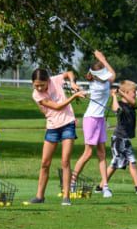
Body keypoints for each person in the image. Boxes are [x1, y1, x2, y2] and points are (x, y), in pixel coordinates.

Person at [28, 68, 85, 206]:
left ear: (48, 80)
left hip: (68, 124)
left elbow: (69, 72)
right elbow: (57, 107)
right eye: (36, 85)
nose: (40, 87)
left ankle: (66, 197)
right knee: (45, 163)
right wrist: (74, 97)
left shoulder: (55, 80)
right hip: (52, 127)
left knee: (65, 161)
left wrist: (72, 83)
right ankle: (39, 196)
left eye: (42, 84)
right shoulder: (36, 95)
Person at [70, 50, 115, 198]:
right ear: (95, 76)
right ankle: (71, 183)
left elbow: (110, 75)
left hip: (100, 119)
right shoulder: (99, 85)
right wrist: (103, 58)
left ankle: (105, 186)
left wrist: (101, 59)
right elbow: (112, 74)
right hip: (91, 120)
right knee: (88, 153)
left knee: (102, 153)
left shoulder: (102, 81)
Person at [107, 80, 137, 194]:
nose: (136, 93)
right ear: (127, 92)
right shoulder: (120, 105)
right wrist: (114, 95)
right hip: (119, 139)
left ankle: (101, 186)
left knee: (120, 163)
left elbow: (134, 102)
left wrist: (121, 92)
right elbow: (115, 109)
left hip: (124, 139)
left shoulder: (131, 105)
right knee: (126, 162)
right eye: (134, 91)